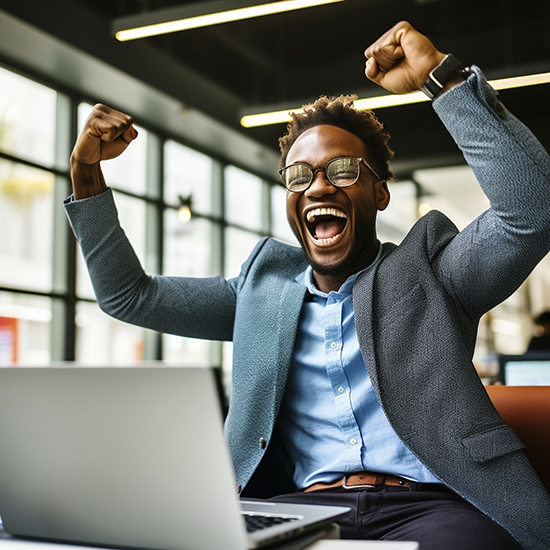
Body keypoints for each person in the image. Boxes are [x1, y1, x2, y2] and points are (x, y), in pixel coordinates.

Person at [65, 21, 550, 550]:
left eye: (342, 169)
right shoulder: (261, 292)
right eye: (299, 175)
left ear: (379, 194)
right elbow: (129, 295)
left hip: (434, 509)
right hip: (302, 510)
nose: (318, 184)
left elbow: (533, 209)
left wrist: (443, 79)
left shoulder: (433, 272)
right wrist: (86, 174)